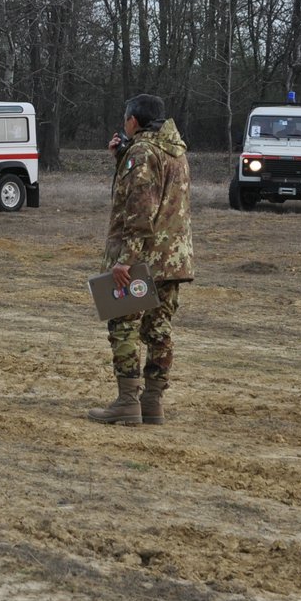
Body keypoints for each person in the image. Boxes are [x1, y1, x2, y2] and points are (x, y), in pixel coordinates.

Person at [86, 93, 194, 426]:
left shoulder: (142, 153)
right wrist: (122, 157)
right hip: (172, 260)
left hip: (142, 259)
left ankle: (127, 402)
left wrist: (125, 261)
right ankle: (152, 403)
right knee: (159, 328)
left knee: (124, 325)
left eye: (125, 118)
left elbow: (139, 210)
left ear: (134, 120)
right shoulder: (174, 151)